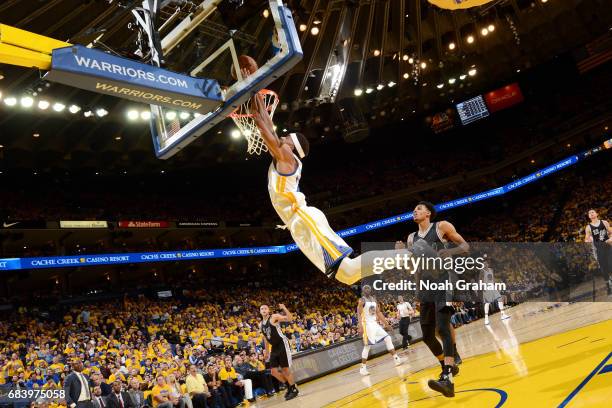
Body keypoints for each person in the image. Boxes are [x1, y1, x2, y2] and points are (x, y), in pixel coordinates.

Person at [251, 91, 412, 285]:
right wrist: (255, 94)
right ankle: (400, 256)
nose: (282, 136)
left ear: (293, 145)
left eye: (287, 137)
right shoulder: (284, 156)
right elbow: (268, 129)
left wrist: (252, 95)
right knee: (347, 275)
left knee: (348, 270)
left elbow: (263, 127)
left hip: (302, 218)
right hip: (298, 224)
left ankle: (404, 255)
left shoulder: (286, 158)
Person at [403, 201, 468, 398]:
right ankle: (447, 366)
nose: (415, 211)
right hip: (425, 286)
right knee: (427, 336)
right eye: (413, 209)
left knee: (442, 327)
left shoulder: (441, 227)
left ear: (428, 213)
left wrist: (451, 251)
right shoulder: (411, 238)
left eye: (419, 209)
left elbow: (465, 246)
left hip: (443, 280)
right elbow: (414, 266)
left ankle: (447, 376)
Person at [358, 285, 404, 376]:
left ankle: (396, 359)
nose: (367, 289)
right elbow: (359, 313)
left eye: (368, 288)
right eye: (365, 288)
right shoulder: (362, 300)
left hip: (374, 324)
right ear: (363, 291)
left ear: (370, 290)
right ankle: (362, 368)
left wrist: (387, 324)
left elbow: (378, 313)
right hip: (367, 325)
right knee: (367, 346)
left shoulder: (373, 299)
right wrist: (360, 326)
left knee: (387, 338)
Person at [259, 303, 298, 400]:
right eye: (262, 308)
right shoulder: (260, 324)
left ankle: (293, 389)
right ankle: (289, 386)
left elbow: (289, 318)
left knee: (285, 369)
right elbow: (265, 338)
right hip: (274, 347)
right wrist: (267, 352)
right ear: (260, 312)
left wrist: (284, 308)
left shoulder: (274, 317)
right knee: (273, 371)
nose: (263, 309)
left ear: (268, 310)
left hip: (282, 344)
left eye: (265, 308)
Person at [584, 209, 612, 295]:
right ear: (589, 216)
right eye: (589, 213)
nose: (591, 213)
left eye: (592, 212)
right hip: (599, 250)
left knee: (611, 265)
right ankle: (608, 286)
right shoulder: (588, 227)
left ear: (597, 214)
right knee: (604, 269)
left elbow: (611, 232)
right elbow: (586, 238)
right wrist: (587, 240)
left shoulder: (604, 222)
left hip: (608, 247)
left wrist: (611, 239)